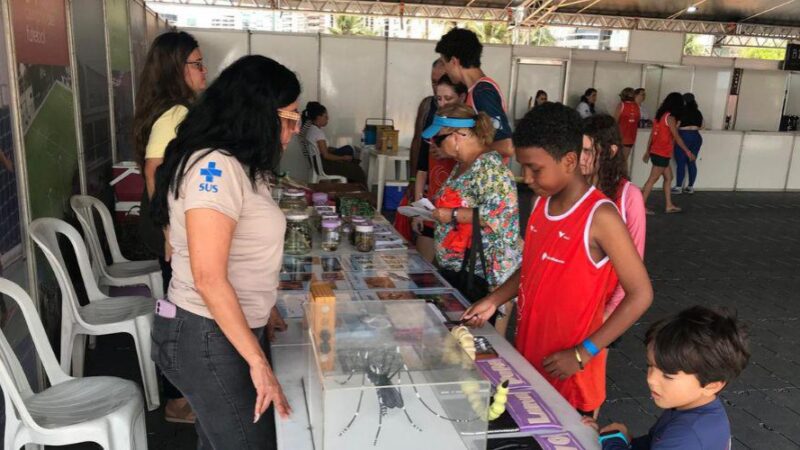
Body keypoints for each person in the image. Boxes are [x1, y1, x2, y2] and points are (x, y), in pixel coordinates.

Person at [462, 103, 653, 417]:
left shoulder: (601, 216)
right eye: (522, 168)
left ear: (569, 161)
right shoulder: (540, 205)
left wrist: (583, 353)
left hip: (572, 374)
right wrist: (494, 299)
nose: (526, 177)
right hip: (532, 360)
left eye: (535, 169)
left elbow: (641, 294)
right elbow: (534, 267)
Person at [150, 55, 298, 448]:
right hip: (206, 335)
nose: (293, 131)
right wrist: (258, 363)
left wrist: (264, 306)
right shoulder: (213, 168)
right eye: (290, 118)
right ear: (259, 114)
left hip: (222, 329)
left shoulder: (240, 164)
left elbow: (240, 255)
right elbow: (209, 277)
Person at [132, 30, 205, 424]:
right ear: (177, 69)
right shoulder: (176, 113)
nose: (203, 70)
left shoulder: (171, 109)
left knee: (176, 310)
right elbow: (154, 169)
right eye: (196, 63)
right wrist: (168, 234)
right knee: (179, 313)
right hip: (169, 232)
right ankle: (178, 401)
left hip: (168, 228)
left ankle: (180, 395)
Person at [584, 306, 750, 450]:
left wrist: (612, 440)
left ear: (712, 385)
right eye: (650, 366)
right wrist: (621, 439)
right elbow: (654, 442)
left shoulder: (687, 436)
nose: (651, 379)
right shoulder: (691, 409)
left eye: (668, 375)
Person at [422, 103, 521, 293]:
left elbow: (498, 214)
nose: (434, 143)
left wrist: (452, 214)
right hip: (460, 270)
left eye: (438, 138)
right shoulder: (463, 164)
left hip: (481, 275)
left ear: (458, 135)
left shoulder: (488, 166)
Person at [581, 114, 646, 320]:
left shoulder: (629, 197)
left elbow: (634, 264)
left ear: (611, 151)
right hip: (573, 303)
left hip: (604, 309)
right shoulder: (573, 190)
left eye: (588, 151)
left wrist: (607, 315)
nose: (581, 158)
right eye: (578, 149)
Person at [435, 28, 513, 160]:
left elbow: (506, 146)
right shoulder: (474, 91)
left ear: (454, 61)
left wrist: (456, 149)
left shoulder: (482, 92)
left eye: (444, 63)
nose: (445, 71)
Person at [412, 75, 467, 262]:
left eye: (448, 98)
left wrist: (448, 153)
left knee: (448, 272)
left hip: (456, 216)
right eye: (438, 98)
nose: (442, 103)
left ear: (461, 97)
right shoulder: (432, 128)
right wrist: (419, 210)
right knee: (420, 271)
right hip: (431, 209)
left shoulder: (469, 136)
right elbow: (422, 170)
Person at [641, 92, 692, 215]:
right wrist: (688, 151)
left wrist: (648, 151)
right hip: (662, 153)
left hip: (657, 151)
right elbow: (677, 137)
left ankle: (669, 205)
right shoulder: (670, 118)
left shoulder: (660, 116)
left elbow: (653, 134)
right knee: (652, 179)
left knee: (669, 177)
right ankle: (640, 206)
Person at [300, 101, 366, 184]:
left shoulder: (311, 129)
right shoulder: (317, 133)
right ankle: (359, 191)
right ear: (318, 117)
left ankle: (352, 165)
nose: (328, 118)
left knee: (351, 161)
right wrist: (343, 158)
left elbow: (323, 151)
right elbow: (326, 155)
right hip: (325, 166)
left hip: (320, 163)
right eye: (325, 116)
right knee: (357, 170)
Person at [672, 93, 704, 195]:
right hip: (696, 136)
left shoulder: (681, 111)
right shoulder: (698, 112)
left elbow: (676, 125)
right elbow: (703, 125)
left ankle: (678, 187)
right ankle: (690, 187)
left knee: (681, 163)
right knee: (692, 161)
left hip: (683, 136)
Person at [614, 87, 640, 162]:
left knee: (617, 161)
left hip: (619, 137)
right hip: (631, 138)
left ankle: (619, 173)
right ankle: (623, 173)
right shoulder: (637, 107)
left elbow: (615, 121)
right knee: (624, 160)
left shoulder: (621, 105)